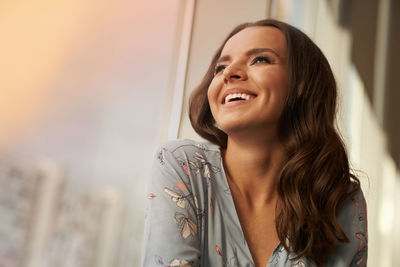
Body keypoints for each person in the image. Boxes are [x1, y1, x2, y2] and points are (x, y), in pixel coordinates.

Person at [141, 19, 367, 267]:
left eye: (260, 59)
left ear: (302, 84)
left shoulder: (339, 199)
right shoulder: (182, 166)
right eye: (220, 67)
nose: (229, 73)